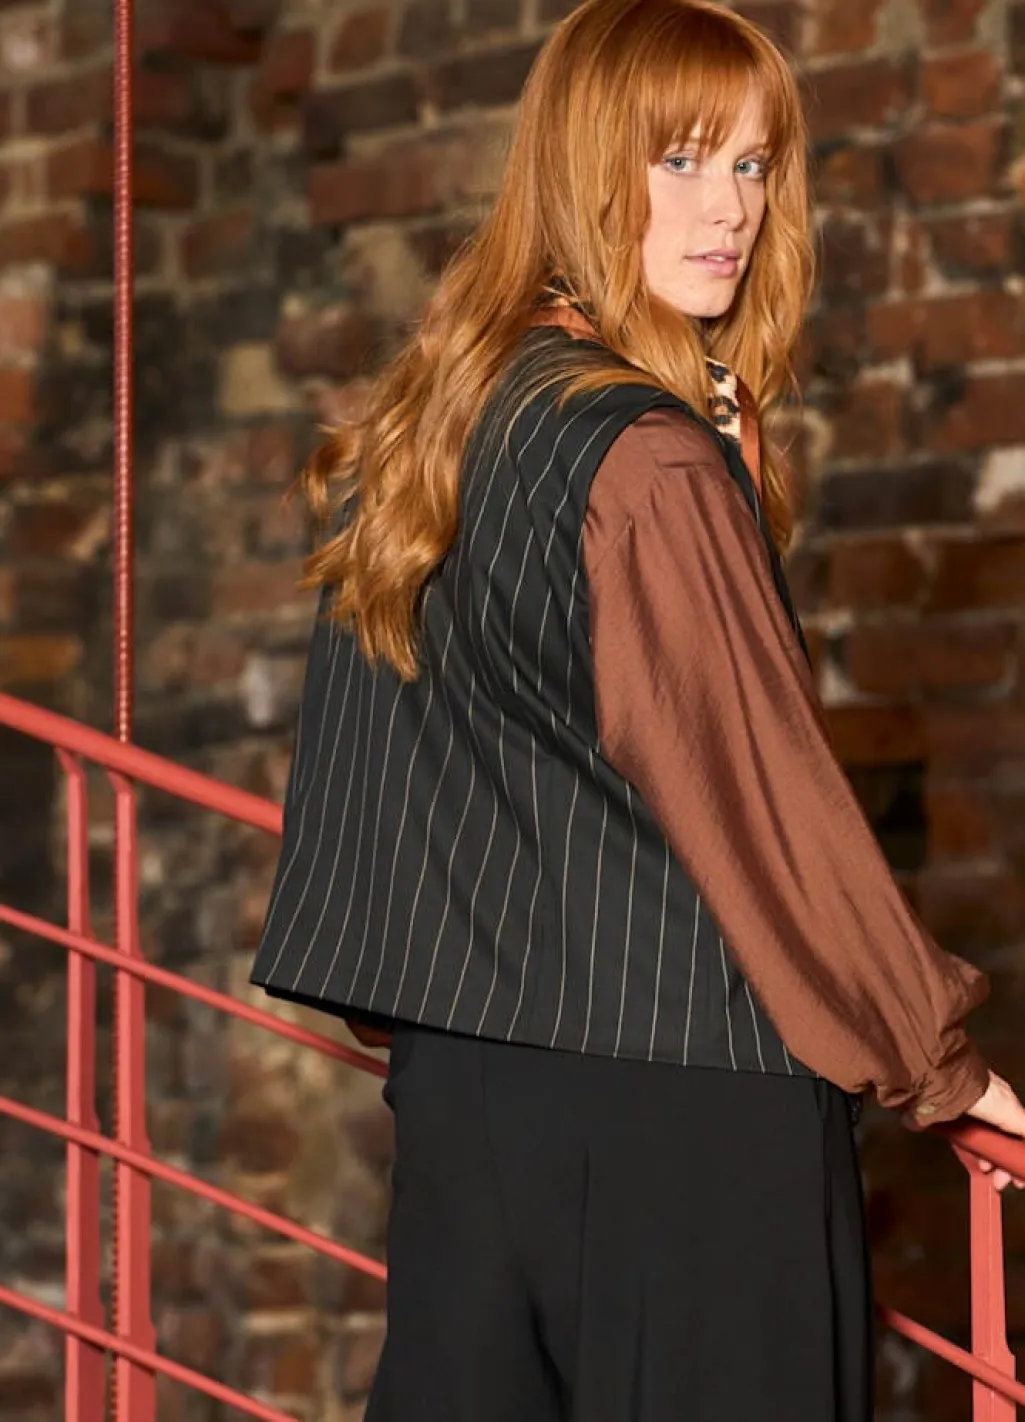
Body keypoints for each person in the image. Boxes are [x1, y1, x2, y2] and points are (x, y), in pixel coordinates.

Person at [250, 1, 1025, 1417]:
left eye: (753, 163)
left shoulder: (433, 422)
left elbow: (387, 769)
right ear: (583, 170)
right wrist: (937, 1058)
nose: (729, 209)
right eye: (680, 159)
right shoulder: (646, 461)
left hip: (471, 1100)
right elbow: (762, 799)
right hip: (689, 1115)